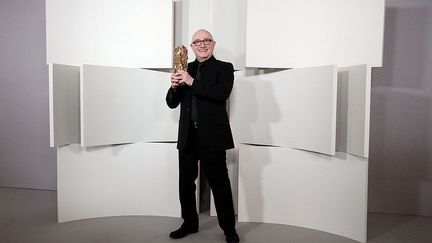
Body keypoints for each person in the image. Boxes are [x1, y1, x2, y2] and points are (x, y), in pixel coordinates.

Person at [166, 29, 240, 243]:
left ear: (213, 44)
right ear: (191, 47)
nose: (202, 44)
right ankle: (189, 223)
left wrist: (190, 82)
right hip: (188, 136)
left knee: (220, 184)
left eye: (206, 40)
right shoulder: (184, 68)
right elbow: (172, 102)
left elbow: (221, 94)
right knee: (185, 184)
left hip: (213, 137)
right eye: (197, 42)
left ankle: (229, 230)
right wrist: (174, 87)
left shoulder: (224, 68)